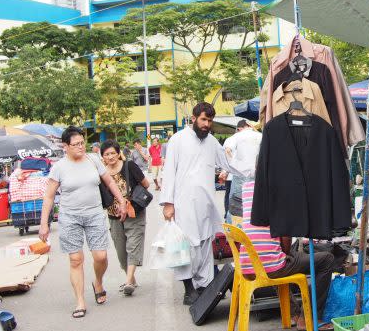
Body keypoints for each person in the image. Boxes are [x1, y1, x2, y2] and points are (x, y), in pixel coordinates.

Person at [38, 126, 128, 319]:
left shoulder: (93, 160)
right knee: (76, 260)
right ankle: (80, 301)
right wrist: (44, 223)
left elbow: (110, 182)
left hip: (94, 214)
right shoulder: (59, 167)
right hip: (70, 217)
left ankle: (98, 282)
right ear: (65, 146)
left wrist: (121, 200)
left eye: (82, 143)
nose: (80, 147)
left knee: (101, 256)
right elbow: (49, 197)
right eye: (76, 144)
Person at [239, 180, 334, 331]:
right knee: (326, 260)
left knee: (277, 255)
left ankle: (294, 314)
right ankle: (308, 318)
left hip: (247, 266)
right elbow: (285, 235)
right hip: (270, 266)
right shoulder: (280, 190)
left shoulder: (246, 188)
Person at [160, 102, 230, 305]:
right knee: (187, 247)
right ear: (193, 118)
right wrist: (168, 203)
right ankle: (188, 289)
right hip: (183, 203)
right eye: (203, 120)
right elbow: (169, 172)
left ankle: (205, 286)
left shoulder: (212, 142)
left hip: (206, 204)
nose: (207, 124)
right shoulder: (177, 140)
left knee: (206, 245)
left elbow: (228, 163)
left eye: (210, 121)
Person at [100, 140, 149, 296]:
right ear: (102, 157)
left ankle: (128, 282)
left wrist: (131, 197)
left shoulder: (129, 166)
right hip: (113, 216)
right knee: (121, 252)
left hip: (133, 211)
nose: (110, 156)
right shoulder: (101, 173)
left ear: (118, 153)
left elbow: (146, 184)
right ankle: (131, 279)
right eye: (107, 154)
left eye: (113, 153)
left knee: (133, 245)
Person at [222, 120, 261, 224]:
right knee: (255, 206)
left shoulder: (236, 137)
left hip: (239, 177)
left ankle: (234, 233)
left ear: (239, 129)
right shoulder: (261, 136)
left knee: (235, 208)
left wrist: (236, 167)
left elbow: (227, 150)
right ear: (249, 125)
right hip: (258, 178)